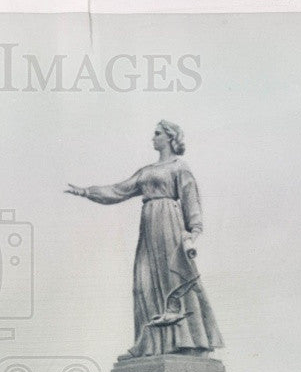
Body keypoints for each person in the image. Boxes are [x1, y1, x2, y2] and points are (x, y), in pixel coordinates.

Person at [65, 120, 224, 358]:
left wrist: (193, 234)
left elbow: (192, 204)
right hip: (149, 228)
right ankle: (148, 343)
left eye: (157, 133)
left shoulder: (180, 168)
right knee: (144, 283)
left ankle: (189, 341)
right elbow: (118, 190)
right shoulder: (147, 171)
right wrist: (86, 192)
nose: (153, 137)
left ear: (170, 138)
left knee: (175, 279)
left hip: (171, 226)